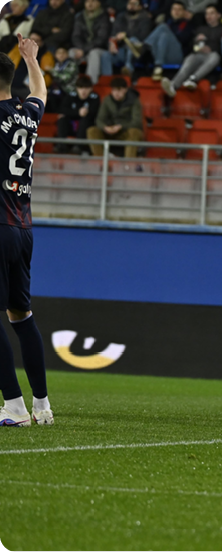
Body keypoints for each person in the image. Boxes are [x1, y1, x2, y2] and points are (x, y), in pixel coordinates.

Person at [0, 33, 53, 427]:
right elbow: (40, 93)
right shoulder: (25, 113)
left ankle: (14, 407)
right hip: (23, 226)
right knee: (21, 316)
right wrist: (32, 59)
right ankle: (42, 406)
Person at [161, 4, 222, 96]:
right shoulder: (200, 28)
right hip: (198, 54)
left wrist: (210, 47)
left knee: (215, 57)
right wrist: (196, 43)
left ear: (218, 15)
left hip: (213, 55)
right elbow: (191, 44)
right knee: (189, 60)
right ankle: (173, 85)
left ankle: (193, 79)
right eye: (207, 14)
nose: (208, 16)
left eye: (212, 13)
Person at [126, 1, 193, 81]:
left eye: (179, 10)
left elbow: (183, 39)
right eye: (174, 9)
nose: (176, 12)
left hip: (176, 55)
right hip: (161, 55)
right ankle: (158, 66)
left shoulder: (187, 24)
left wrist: (169, 35)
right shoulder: (169, 22)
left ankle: (143, 47)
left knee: (163, 28)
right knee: (163, 35)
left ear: (184, 12)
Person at [86, 76, 143, 158]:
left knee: (135, 132)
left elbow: (137, 122)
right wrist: (105, 127)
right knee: (91, 131)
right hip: (109, 131)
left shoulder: (134, 101)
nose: (116, 93)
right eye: (114, 90)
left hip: (125, 131)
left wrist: (121, 126)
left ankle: (129, 163)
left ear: (125, 90)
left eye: (119, 90)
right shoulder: (107, 100)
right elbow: (99, 120)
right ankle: (100, 161)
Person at [102, 0, 152, 77]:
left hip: (139, 52)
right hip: (122, 49)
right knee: (106, 55)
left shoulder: (145, 18)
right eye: (129, 3)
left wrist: (125, 35)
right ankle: (107, 80)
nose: (131, 6)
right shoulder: (121, 17)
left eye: (135, 4)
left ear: (140, 6)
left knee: (133, 40)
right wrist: (112, 43)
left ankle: (128, 68)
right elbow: (113, 34)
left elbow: (143, 37)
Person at [70, 0, 110, 83]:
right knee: (71, 53)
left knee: (93, 54)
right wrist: (81, 49)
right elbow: (76, 36)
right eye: (87, 1)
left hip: (99, 49)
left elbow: (101, 39)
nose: (90, 4)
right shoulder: (80, 17)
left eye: (93, 1)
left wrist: (83, 50)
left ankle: (90, 84)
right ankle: (72, 84)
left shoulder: (104, 17)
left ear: (99, 3)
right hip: (83, 49)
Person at [56, 73, 98, 153]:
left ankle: (79, 146)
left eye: (86, 88)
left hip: (86, 127)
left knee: (85, 121)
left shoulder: (95, 97)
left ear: (91, 89)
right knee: (62, 119)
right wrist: (78, 112)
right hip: (71, 125)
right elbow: (63, 109)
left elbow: (95, 113)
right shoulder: (71, 95)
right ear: (76, 88)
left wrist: (86, 113)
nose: (83, 91)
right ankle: (61, 145)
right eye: (80, 88)